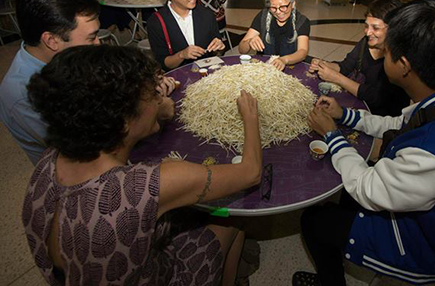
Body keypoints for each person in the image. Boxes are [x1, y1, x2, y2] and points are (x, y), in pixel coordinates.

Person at [23, 44, 263, 286]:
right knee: (229, 218)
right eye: (152, 96)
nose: (159, 100)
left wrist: (153, 119)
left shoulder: (48, 159)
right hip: (157, 277)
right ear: (124, 120)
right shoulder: (144, 185)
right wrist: (250, 117)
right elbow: (250, 172)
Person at [294, 0, 435, 286]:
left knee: (315, 221)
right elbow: (400, 123)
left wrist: (332, 136)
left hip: (423, 249)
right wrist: (346, 115)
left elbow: (367, 187)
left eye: (387, 52)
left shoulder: (432, 155)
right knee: (344, 199)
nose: (381, 53)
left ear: (404, 65)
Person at [0, 0, 101, 165]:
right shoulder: (21, 94)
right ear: (52, 41)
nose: (98, 43)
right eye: (91, 37)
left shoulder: (67, 57)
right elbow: (82, 150)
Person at [308, 0, 409, 117]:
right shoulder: (366, 42)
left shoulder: (398, 60)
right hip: (359, 107)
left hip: (382, 120)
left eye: (375, 28)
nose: (367, 32)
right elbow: (346, 66)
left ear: (394, 29)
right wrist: (325, 65)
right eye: (366, 26)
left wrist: (336, 78)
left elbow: (376, 98)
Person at [147, 0, 224, 71]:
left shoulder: (206, 15)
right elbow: (163, 63)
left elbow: (216, 51)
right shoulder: (156, 22)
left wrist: (219, 47)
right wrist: (182, 55)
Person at [238, 0, 310, 71]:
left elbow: (302, 51)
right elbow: (241, 49)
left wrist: (284, 60)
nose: (278, 12)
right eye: (273, 7)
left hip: (291, 68)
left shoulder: (301, 21)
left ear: (293, 3)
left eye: (283, 7)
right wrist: (249, 42)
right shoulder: (263, 16)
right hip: (264, 69)